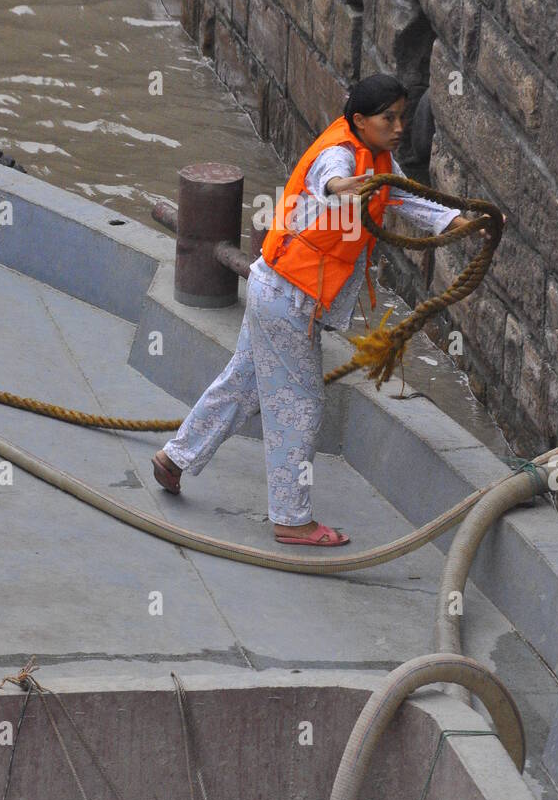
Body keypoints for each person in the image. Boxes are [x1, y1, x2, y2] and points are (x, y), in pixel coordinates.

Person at [152, 74, 464, 548]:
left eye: (403, 116)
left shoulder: (376, 158)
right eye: (390, 118)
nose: (400, 126)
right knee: (300, 406)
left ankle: (175, 457)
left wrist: (460, 220)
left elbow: (401, 196)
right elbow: (329, 180)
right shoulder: (338, 156)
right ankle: (291, 518)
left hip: (274, 288)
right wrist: (342, 190)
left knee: (245, 382)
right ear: (360, 120)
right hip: (287, 300)